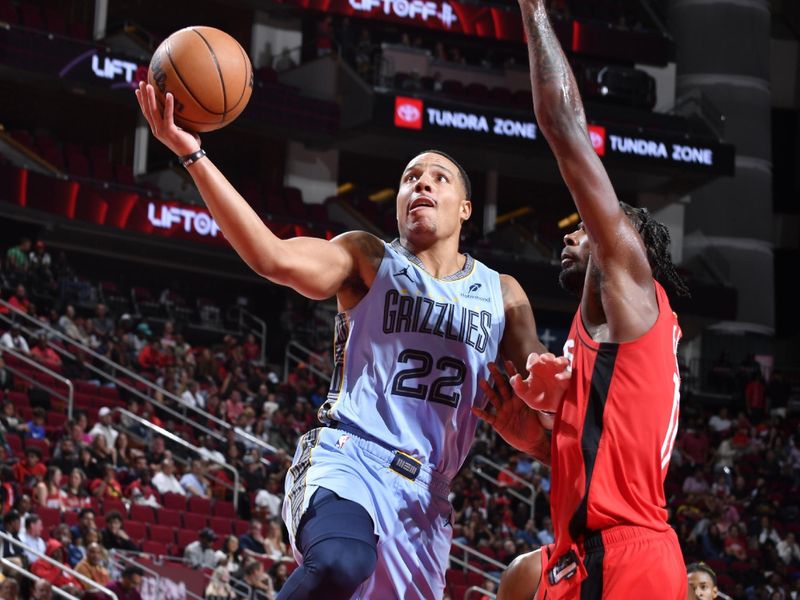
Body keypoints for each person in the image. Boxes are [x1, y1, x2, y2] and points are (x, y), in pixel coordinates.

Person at [136, 79, 550, 600]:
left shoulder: (502, 293)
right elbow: (273, 257)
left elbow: (545, 380)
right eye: (409, 178)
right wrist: (192, 153)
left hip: (426, 499)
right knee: (339, 561)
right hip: (349, 458)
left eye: (438, 178)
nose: (421, 184)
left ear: (465, 208)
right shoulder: (368, 258)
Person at [477, 2, 691, 598]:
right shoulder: (623, 332)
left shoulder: (627, 277)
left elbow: (564, 125)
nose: (572, 233)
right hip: (609, 551)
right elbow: (611, 463)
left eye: (587, 226)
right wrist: (538, 441)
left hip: (623, 555)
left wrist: (533, 8)